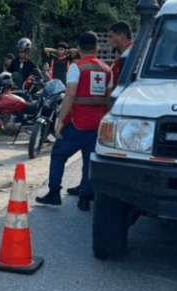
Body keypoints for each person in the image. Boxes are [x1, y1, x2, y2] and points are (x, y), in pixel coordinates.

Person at [35, 31, 112, 211]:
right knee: (89, 160)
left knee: (58, 154)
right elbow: (108, 99)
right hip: (97, 124)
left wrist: (60, 121)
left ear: (78, 49)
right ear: (97, 48)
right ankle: (85, 197)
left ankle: (54, 193)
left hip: (78, 122)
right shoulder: (107, 70)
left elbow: (70, 95)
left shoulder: (77, 67)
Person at [109, 21, 133, 89]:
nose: (110, 40)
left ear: (121, 36)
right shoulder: (124, 54)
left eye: (111, 36)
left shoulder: (129, 54)